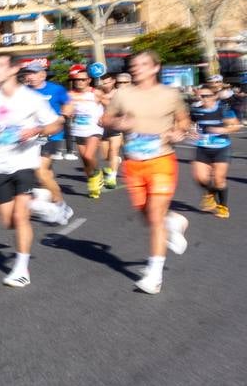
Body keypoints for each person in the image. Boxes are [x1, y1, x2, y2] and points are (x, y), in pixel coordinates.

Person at [101, 50, 191, 296]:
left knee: (154, 214)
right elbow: (105, 120)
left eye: (143, 64)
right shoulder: (122, 94)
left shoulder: (170, 94)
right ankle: (174, 221)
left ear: (155, 67)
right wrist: (118, 124)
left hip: (161, 159)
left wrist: (178, 132)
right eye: (134, 64)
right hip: (134, 162)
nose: (137, 67)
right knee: (148, 216)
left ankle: (154, 275)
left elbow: (184, 121)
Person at [0, 55, 63, 288]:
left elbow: (56, 124)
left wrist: (37, 129)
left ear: (14, 69)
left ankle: (21, 269)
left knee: (21, 214)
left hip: (25, 161)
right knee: (6, 219)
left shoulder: (31, 98)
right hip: (0, 163)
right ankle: (39, 205)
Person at [22, 59, 74, 222]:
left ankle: (61, 206)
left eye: (33, 73)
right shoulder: (23, 91)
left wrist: (62, 118)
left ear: (42, 74)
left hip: (51, 135)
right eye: (28, 73)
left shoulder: (56, 89)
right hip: (32, 135)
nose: (29, 76)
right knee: (47, 174)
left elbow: (69, 105)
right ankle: (47, 198)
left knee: (40, 172)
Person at [189, 83, 238, 219]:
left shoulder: (223, 108)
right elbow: (189, 124)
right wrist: (190, 131)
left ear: (215, 96)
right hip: (202, 147)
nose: (204, 99)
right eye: (202, 96)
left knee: (219, 179)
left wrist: (223, 130)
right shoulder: (196, 110)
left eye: (207, 96)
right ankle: (210, 193)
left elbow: (235, 125)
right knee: (200, 178)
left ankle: (223, 207)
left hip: (221, 148)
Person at [64, 65, 108, 199]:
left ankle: (95, 179)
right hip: (79, 128)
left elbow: (110, 105)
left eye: (83, 80)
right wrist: (67, 112)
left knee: (89, 156)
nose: (79, 82)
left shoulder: (96, 93)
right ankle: (94, 177)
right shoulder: (70, 94)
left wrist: (105, 116)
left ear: (88, 80)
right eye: (77, 80)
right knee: (85, 160)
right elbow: (67, 108)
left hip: (95, 128)